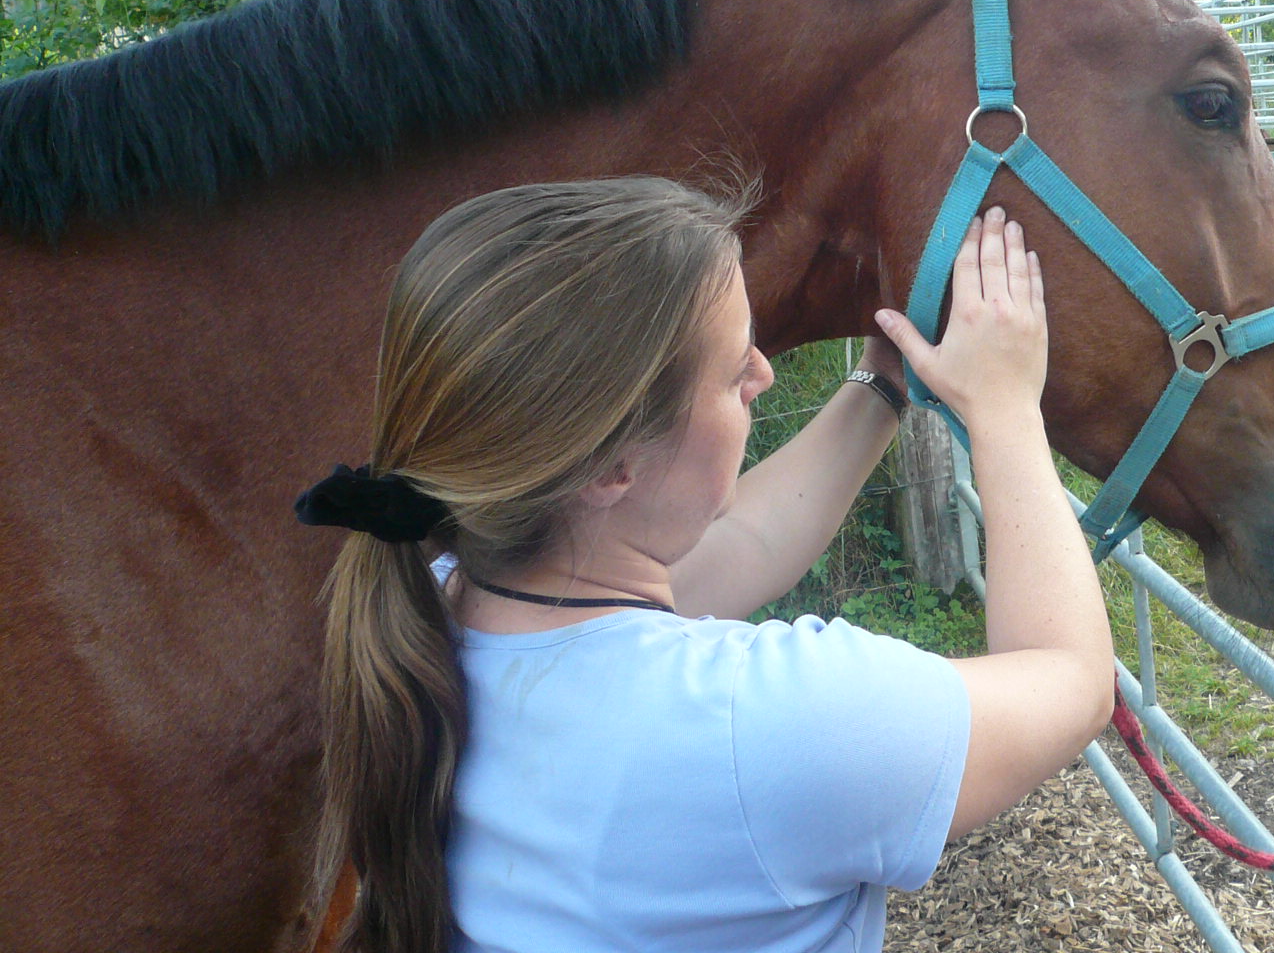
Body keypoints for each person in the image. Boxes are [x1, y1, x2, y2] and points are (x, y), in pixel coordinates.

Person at [296, 177, 1113, 953]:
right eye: (734, 369)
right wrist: (1004, 405)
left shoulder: (436, 611)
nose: (763, 373)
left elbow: (746, 543)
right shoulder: (771, 728)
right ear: (615, 470)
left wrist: (883, 382)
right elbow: (1070, 679)